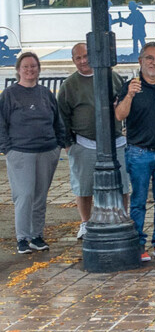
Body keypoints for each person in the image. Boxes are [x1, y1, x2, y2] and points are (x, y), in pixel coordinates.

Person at [58, 43, 131, 240]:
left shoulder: (110, 76)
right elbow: (62, 116)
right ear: (73, 61)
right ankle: (85, 222)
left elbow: (124, 100)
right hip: (84, 142)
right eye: (78, 58)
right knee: (84, 186)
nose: (83, 61)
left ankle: (122, 216)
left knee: (122, 184)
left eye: (86, 56)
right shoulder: (69, 85)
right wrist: (68, 144)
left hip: (115, 141)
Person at [115, 43, 155, 262]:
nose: (154, 63)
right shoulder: (131, 86)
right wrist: (130, 96)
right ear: (141, 61)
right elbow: (119, 115)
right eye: (150, 58)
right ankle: (139, 244)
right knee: (139, 201)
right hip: (138, 152)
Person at [0, 53, 65, 254]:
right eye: (26, 67)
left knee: (39, 196)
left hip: (47, 151)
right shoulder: (9, 94)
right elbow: (1, 123)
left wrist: (59, 144)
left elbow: (57, 120)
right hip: (20, 152)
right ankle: (22, 238)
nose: (30, 70)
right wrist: (7, 148)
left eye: (34, 66)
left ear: (39, 69)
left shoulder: (45, 93)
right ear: (18, 70)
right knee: (24, 195)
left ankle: (36, 236)